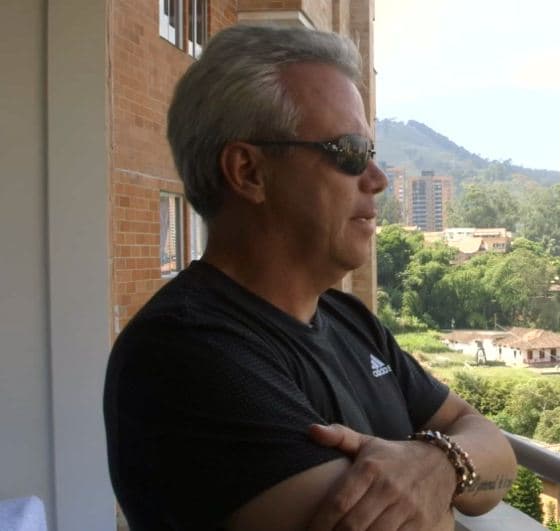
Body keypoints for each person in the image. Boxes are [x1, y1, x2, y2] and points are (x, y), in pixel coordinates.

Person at [103, 24, 516, 530]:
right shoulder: (187, 352)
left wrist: (440, 463)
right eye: (350, 153)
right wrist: (454, 467)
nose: (377, 180)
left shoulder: (348, 320)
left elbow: (493, 447)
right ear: (249, 172)